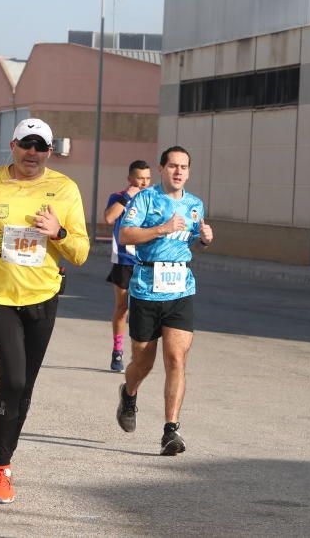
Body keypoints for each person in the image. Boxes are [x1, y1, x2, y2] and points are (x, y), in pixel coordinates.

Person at [0, 118, 89, 504]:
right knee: (12, 378)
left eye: (41, 147)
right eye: (27, 145)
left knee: (25, 385)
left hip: (43, 294)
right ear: (13, 145)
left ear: (50, 151)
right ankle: (2, 473)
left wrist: (58, 232)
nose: (33, 153)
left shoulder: (64, 188)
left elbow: (80, 252)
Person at [115, 146, 214, 456]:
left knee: (176, 359)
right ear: (161, 169)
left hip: (181, 288)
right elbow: (125, 235)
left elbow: (195, 237)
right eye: (173, 165)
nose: (178, 171)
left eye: (184, 166)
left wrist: (206, 238)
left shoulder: (195, 205)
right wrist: (161, 228)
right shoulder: (145, 199)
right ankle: (129, 393)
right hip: (146, 287)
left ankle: (171, 430)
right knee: (142, 362)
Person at [104, 160, 152, 372]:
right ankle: (117, 352)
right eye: (140, 178)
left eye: (148, 179)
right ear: (130, 179)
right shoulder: (118, 197)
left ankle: (140, 353)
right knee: (122, 307)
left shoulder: (153, 199)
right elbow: (109, 217)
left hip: (147, 260)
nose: (144, 183)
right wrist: (126, 197)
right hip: (124, 260)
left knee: (144, 309)